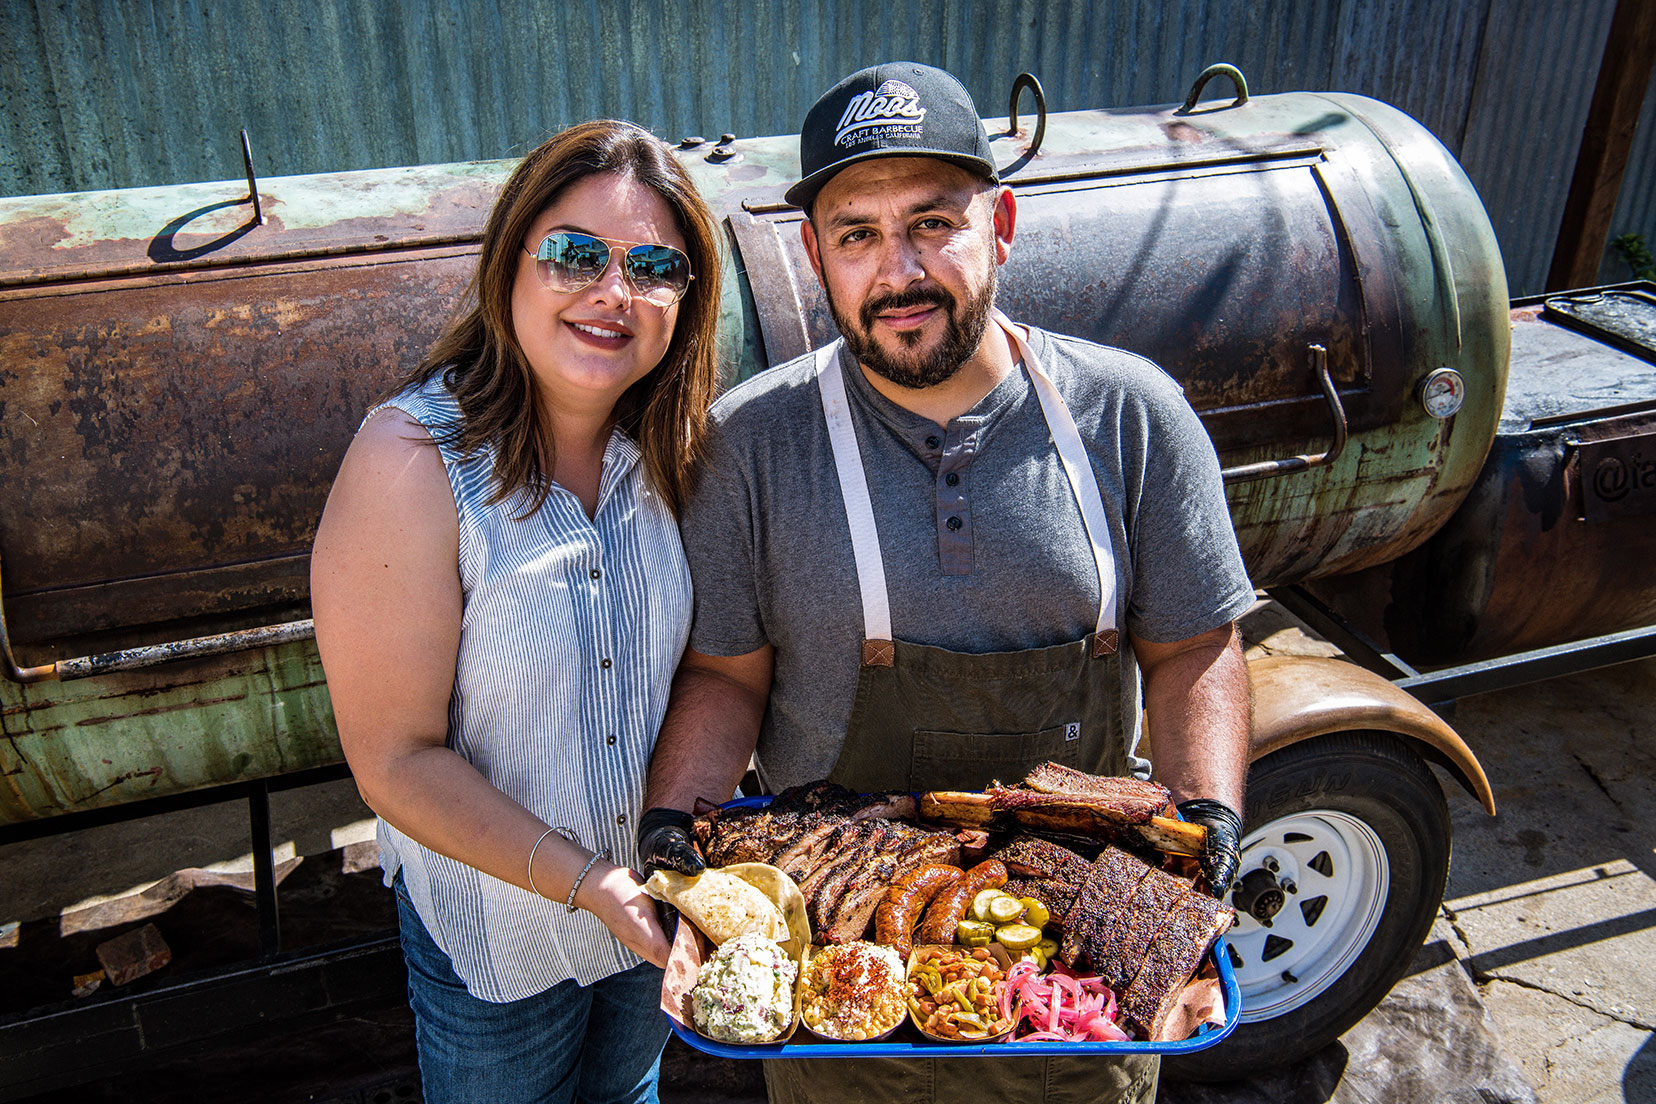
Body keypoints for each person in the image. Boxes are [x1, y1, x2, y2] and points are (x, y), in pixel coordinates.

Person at [636, 63, 1254, 1104]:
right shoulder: (753, 445)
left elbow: (1195, 647)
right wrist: (671, 823)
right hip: (834, 1010)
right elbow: (725, 676)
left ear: (1001, 225)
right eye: (857, 234)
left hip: (1073, 990)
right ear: (815, 257)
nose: (900, 270)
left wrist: (1208, 815)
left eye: (934, 222)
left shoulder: (1131, 417)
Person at [311, 119, 721, 1104]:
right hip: (501, 940)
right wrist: (589, 883)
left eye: (653, 266)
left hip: (652, 914)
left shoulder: (676, 455)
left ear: (685, 303)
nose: (612, 292)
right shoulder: (411, 463)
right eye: (576, 254)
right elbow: (394, 760)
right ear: (509, 266)